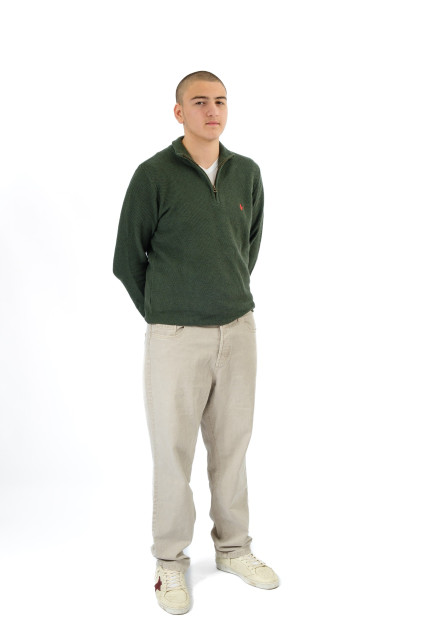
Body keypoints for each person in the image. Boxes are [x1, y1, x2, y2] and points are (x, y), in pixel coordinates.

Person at [113, 70, 279, 615]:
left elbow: (247, 247)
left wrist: (226, 296)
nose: (213, 111)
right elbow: (127, 259)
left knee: (232, 449)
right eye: (200, 101)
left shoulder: (246, 172)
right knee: (173, 453)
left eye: (221, 101)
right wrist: (167, 312)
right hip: (176, 337)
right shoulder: (153, 175)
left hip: (239, 331)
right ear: (179, 112)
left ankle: (233, 549)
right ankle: (170, 561)